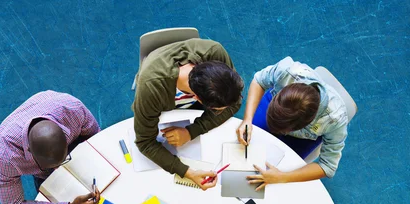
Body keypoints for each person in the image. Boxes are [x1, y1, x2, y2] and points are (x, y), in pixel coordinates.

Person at [133, 38, 244, 189]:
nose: (225, 110)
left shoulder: (216, 53)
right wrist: (187, 172)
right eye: (219, 110)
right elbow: (145, 142)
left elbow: (235, 103)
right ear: (197, 98)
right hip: (160, 97)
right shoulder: (151, 88)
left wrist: (191, 132)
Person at [236, 57, 349, 187]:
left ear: (301, 127)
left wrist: (282, 177)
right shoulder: (287, 71)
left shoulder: (335, 120)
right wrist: (247, 119)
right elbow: (259, 80)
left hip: (303, 139)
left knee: (279, 176)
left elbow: (327, 166)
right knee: (243, 143)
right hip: (276, 111)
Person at [0, 90, 101, 204]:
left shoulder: (73, 110)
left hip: (73, 141)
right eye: (51, 166)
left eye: (62, 160)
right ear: (29, 151)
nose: (58, 170)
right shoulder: (6, 155)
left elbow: (97, 139)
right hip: (41, 170)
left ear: (65, 133)